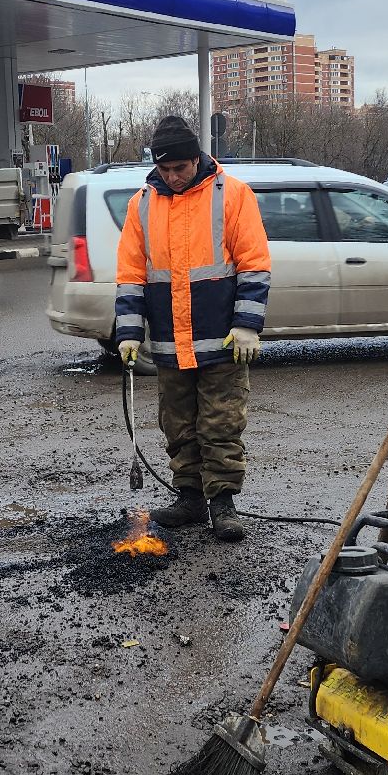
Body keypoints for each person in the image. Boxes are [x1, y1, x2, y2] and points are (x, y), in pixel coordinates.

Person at [114, 115, 272, 542]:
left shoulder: (233, 195)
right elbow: (131, 273)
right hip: (170, 341)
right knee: (178, 423)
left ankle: (222, 503)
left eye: (179, 168)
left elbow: (254, 264)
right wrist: (129, 332)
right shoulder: (142, 204)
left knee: (220, 424)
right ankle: (189, 497)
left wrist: (246, 325)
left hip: (221, 340)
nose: (173, 177)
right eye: (164, 170)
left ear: (196, 158)